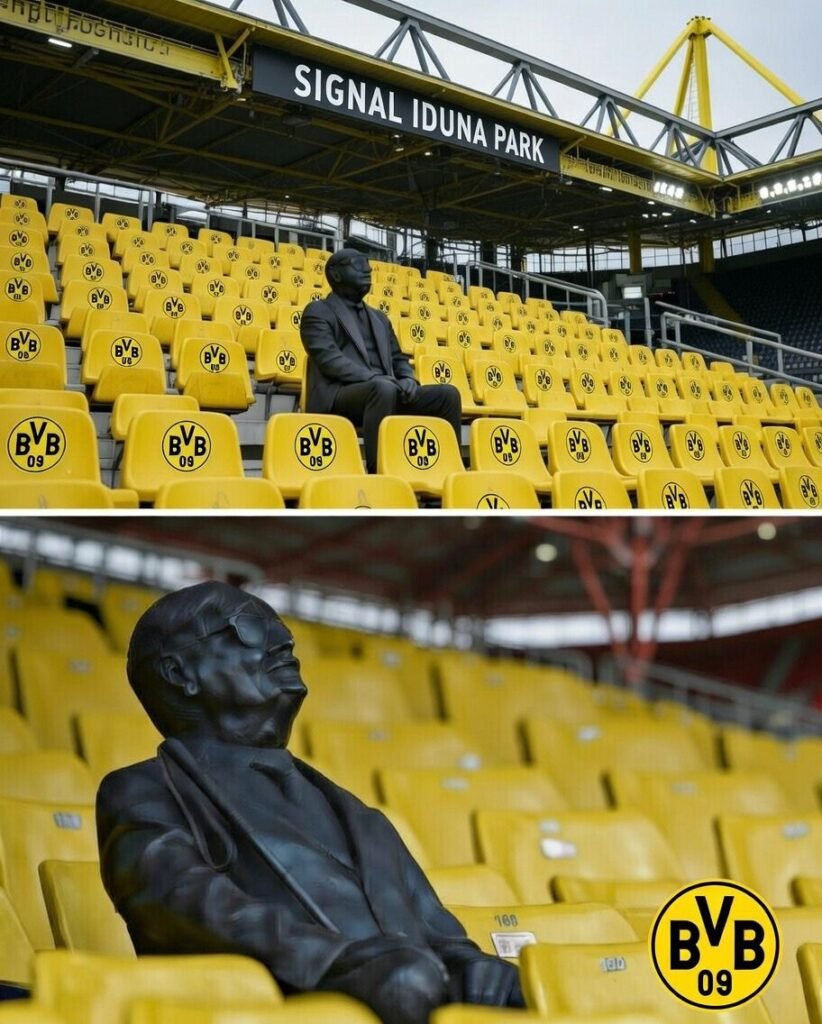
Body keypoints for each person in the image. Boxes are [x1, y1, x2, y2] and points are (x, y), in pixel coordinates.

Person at [97, 582, 523, 1024]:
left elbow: (441, 937)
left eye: (279, 624)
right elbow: (182, 904)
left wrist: (473, 967)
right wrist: (339, 965)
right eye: (250, 626)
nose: (282, 639)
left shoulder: (358, 815)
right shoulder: (145, 790)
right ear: (180, 673)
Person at [299, 249, 462, 473]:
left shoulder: (379, 318)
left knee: (447, 395)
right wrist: (375, 378)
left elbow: (398, 358)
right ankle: (380, 471)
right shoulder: (318, 311)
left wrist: (407, 378)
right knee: (382, 388)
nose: (367, 270)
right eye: (358, 264)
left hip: (386, 389)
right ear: (335, 274)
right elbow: (329, 360)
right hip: (341, 394)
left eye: (367, 264)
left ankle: (450, 470)